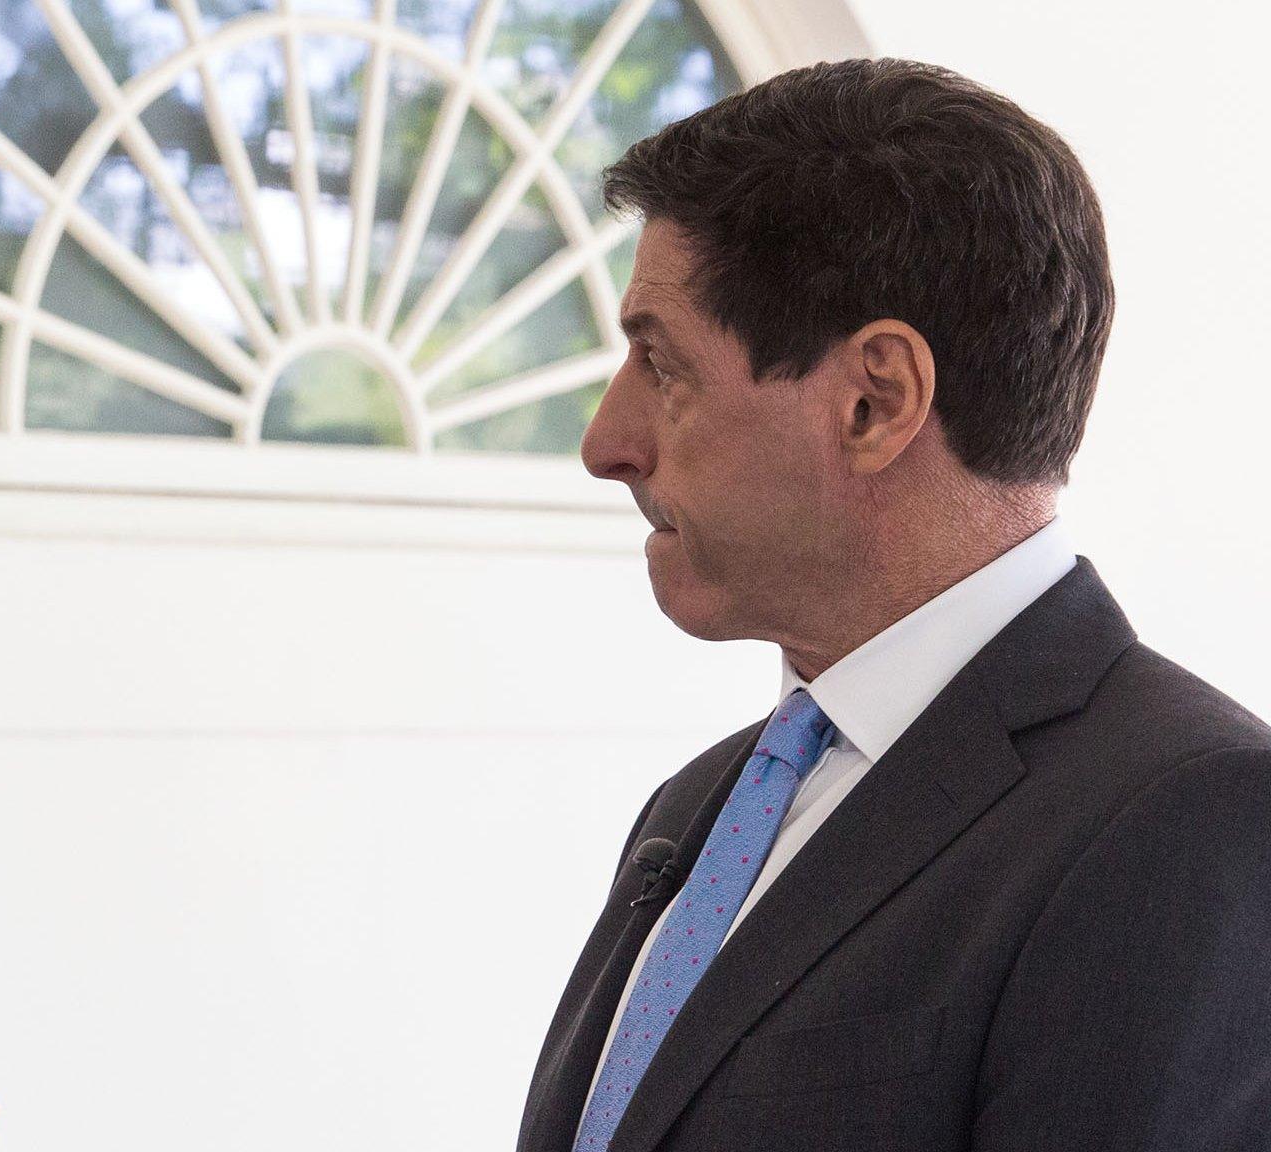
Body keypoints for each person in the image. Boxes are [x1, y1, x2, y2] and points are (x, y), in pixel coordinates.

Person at [519, 59, 1271, 1152]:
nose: (604, 444)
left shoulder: (1187, 822)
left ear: (874, 400)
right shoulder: (701, 806)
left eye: (658, 362)